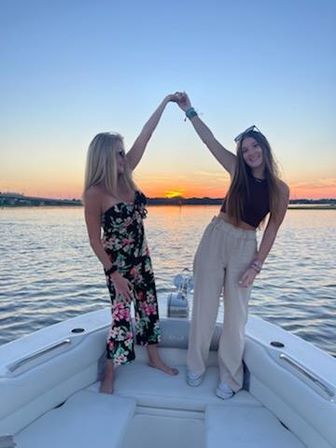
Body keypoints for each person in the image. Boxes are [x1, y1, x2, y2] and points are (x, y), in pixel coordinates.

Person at [175, 92, 289, 399]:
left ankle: (230, 377)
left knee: (237, 315)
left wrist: (257, 264)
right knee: (204, 307)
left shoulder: (280, 189)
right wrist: (190, 111)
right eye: (245, 149)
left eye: (254, 146)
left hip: (244, 245)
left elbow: (273, 228)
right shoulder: (237, 170)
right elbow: (209, 141)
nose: (250, 152)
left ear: (264, 147)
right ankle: (196, 366)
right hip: (216, 235)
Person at [83, 95, 179, 394]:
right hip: (118, 266)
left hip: (142, 258)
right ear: (103, 158)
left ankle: (154, 359)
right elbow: (94, 240)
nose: (124, 159)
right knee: (121, 316)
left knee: (149, 309)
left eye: (124, 153)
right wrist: (114, 273)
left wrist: (166, 103)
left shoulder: (128, 174)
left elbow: (146, 135)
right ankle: (110, 373)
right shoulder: (95, 193)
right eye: (117, 155)